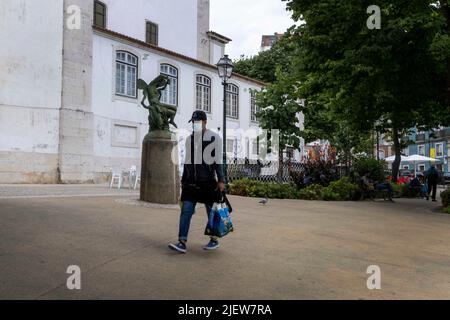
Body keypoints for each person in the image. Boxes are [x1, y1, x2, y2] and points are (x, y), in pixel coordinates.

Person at [169, 111, 225, 254]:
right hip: (190, 183)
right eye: (193, 122)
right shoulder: (189, 139)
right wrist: (183, 181)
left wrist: (221, 180)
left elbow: (218, 161)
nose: (195, 125)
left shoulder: (214, 138)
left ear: (205, 122)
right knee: (186, 210)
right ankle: (182, 242)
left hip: (207, 182)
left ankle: (214, 239)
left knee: (211, 212)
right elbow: (187, 162)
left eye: (198, 122)